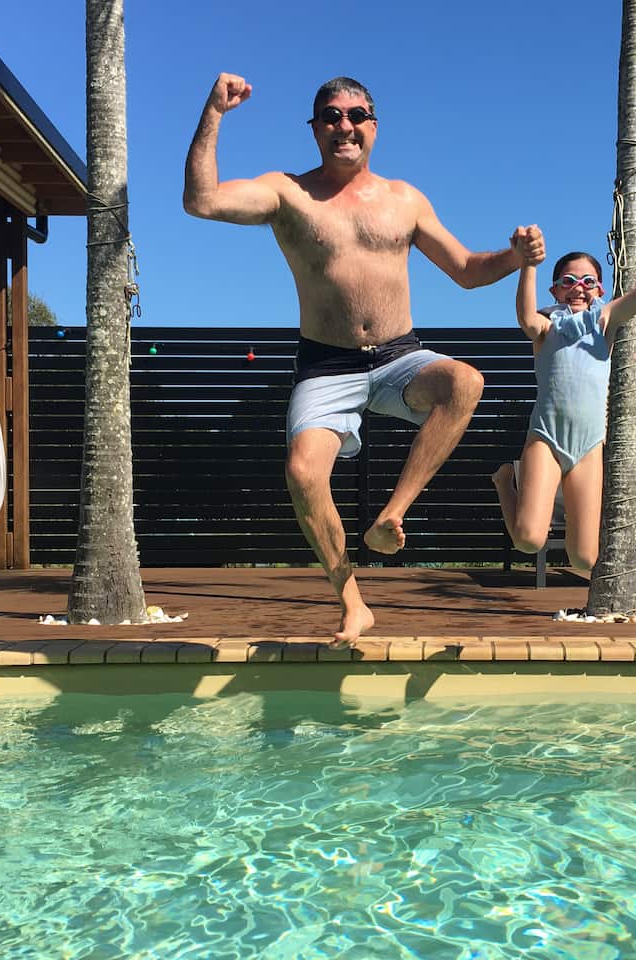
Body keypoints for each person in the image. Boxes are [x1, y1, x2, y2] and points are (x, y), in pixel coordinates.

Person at [183, 73, 544, 646]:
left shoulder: (405, 199)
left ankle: (391, 516)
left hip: (400, 356)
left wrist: (515, 257)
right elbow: (201, 201)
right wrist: (215, 112)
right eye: (330, 116)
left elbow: (469, 271)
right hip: (326, 363)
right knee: (303, 472)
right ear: (316, 128)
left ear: (373, 125)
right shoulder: (287, 193)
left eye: (355, 115)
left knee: (465, 382)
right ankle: (353, 602)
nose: (343, 126)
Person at [493, 194, 636, 573]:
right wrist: (528, 264)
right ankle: (506, 481)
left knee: (585, 558)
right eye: (568, 281)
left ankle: (555, 507)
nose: (578, 287)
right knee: (528, 540)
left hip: (588, 445)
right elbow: (524, 316)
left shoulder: (607, 320)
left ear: (600, 289)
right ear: (555, 291)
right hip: (546, 439)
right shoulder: (546, 327)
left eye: (588, 280)